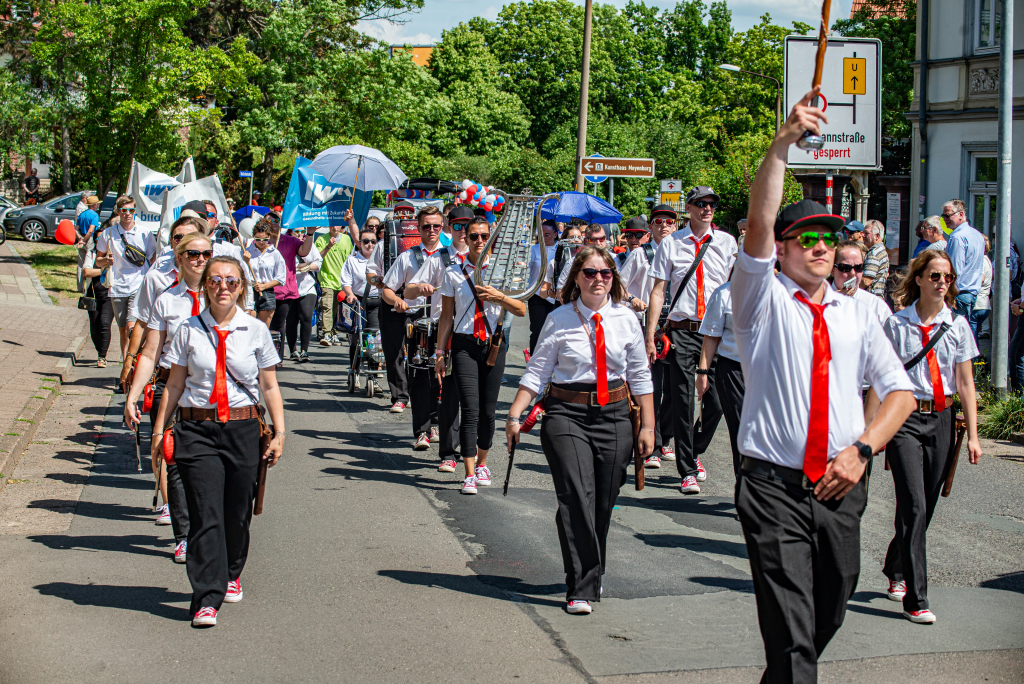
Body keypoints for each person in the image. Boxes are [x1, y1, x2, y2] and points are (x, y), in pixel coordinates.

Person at [736, 87, 916, 682]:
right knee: (791, 627)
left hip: (840, 482)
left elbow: (900, 394)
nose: (819, 248)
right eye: (806, 239)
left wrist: (863, 449)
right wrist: (783, 144)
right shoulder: (760, 299)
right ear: (782, 250)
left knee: (833, 601)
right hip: (772, 485)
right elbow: (760, 221)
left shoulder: (858, 313)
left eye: (827, 240)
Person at [506, 246, 654, 615]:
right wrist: (514, 415)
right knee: (576, 494)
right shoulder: (558, 318)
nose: (598, 279)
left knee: (601, 501)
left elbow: (640, 376)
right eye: (590, 272)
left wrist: (649, 426)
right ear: (577, 277)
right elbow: (537, 372)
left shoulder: (626, 319)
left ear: (613, 278)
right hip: (565, 414)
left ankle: (591, 566)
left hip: (615, 415)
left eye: (605, 273)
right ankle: (580, 586)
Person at [151, 256, 285, 628]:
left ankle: (231, 571)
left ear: (241, 287)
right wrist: (159, 430)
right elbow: (174, 384)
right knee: (205, 512)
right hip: (197, 430)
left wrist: (280, 433)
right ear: (205, 285)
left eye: (230, 281)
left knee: (237, 512)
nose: (222, 287)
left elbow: (269, 385)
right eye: (214, 280)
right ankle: (206, 597)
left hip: (243, 429)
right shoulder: (188, 330)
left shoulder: (255, 330)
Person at [879, 249, 982, 624]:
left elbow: (966, 383)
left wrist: (974, 435)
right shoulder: (897, 324)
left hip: (942, 418)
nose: (942, 282)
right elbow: (882, 377)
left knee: (925, 507)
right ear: (919, 278)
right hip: (904, 418)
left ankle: (896, 566)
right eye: (935, 275)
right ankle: (917, 599)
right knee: (914, 505)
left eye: (948, 277)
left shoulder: (957, 325)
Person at [125, 233, 213, 565]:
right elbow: (150, 352)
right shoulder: (167, 300)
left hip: (210, 390)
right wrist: (133, 395)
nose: (201, 260)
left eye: (206, 254)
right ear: (179, 259)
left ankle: (208, 529)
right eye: (193, 254)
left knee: (209, 463)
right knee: (173, 459)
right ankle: (184, 536)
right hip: (170, 386)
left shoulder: (223, 295)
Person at [646, 187, 735, 494]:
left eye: (712, 204)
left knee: (717, 401)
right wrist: (650, 335)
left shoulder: (727, 242)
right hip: (682, 329)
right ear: (690, 208)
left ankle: (694, 450)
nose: (707, 208)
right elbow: (658, 292)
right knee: (683, 400)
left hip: (717, 332)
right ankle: (687, 470)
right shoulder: (672, 243)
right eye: (701, 204)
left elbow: (734, 287)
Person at [435, 216, 526, 492]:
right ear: (465, 237)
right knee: (470, 410)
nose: (479, 241)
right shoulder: (453, 271)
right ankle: (469, 472)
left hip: (493, 345)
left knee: (488, 411)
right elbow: (446, 316)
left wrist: (499, 297)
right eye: (474, 236)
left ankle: (483, 462)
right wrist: (440, 352)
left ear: (491, 239)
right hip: (464, 344)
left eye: (484, 236)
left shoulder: (502, 271)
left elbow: (521, 310)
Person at [406, 206, 472, 466]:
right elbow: (408, 291)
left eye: (468, 226)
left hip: (473, 333)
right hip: (444, 331)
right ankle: (448, 453)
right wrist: (419, 287)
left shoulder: (485, 258)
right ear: (449, 227)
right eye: (457, 226)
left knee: (472, 397)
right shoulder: (439, 258)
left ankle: (470, 449)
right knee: (448, 395)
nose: (463, 232)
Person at [381, 206, 447, 448]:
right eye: (426, 226)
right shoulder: (407, 257)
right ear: (418, 229)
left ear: (442, 227)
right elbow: (387, 289)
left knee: (441, 376)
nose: (432, 230)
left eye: (436, 226)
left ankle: (437, 423)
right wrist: (397, 300)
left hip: (443, 321)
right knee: (419, 374)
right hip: (416, 320)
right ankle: (422, 430)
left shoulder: (450, 255)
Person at [619, 208, 677, 467]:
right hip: (644, 324)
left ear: (675, 226)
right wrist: (633, 299)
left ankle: (665, 438)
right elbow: (619, 285)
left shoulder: (682, 251)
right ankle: (651, 442)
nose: (664, 225)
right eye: (658, 221)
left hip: (673, 325)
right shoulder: (640, 254)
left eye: (669, 221)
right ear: (650, 228)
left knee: (675, 388)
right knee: (651, 385)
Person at [366, 204, 414, 414]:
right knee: (393, 350)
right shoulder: (383, 245)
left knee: (418, 350)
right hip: (390, 298)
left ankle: (416, 392)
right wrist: (379, 281)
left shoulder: (422, 244)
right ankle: (400, 396)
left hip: (417, 301)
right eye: (400, 215)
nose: (404, 218)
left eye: (408, 216)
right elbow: (370, 273)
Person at [96, 195, 157, 361]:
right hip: (117, 286)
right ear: (118, 211)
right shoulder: (108, 233)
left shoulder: (144, 233)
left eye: (131, 210)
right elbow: (98, 260)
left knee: (132, 326)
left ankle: (132, 364)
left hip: (138, 285)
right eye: (124, 210)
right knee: (123, 330)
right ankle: (126, 364)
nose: (128, 214)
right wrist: (106, 261)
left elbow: (153, 259)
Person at [696, 281, 744, 476]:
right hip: (733, 370)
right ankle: (744, 485)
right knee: (741, 431)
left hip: (767, 372)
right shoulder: (724, 293)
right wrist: (703, 372)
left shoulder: (780, 291)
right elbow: (711, 336)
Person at [267, 217, 316, 360]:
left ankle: (278, 358)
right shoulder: (260, 241)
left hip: (285, 290)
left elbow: (304, 251)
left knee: (279, 324)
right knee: (266, 325)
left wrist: (310, 234)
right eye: (269, 221)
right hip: (264, 290)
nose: (273, 223)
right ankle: (266, 356)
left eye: (276, 220)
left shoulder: (289, 240)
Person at [340, 228, 381, 388]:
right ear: (360, 243)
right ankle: (354, 371)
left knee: (374, 341)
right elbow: (346, 282)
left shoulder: (381, 260)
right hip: (359, 303)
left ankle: (372, 376)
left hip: (376, 302)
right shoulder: (352, 261)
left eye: (373, 241)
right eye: (366, 241)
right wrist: (350, 294)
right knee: (357, 340)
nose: (369, 245)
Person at [942, 199, 986, 338]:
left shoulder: (957, 237)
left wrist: (948, 294)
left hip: (958, 294)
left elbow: (955, 270)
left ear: (961, 214)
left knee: (953, 336)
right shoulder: (977, 235)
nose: (945, 219)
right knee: (965, 336)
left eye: (947, 215)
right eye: (943, 216)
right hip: (971, 293)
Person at [314, 210, 359, 346]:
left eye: (337, 225)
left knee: (337, 309)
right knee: (327, 307)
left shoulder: (346, 239)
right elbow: (317, 258)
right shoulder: (321, 239)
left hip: (342, 282)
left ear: (341, 226)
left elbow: (350, 259)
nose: (334, 227)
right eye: (332, 225)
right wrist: (328, 246)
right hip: (326, 279)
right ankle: (326, 334)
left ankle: (334, 332)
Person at [831, 240, 893, 327]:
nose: (853, 273)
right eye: (845, 268)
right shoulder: (818, 302)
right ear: (832, 270)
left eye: (858, 267)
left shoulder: (876, 306)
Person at [244, 219, 286, 326]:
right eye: (258, 239)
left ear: (269, 237)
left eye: (265, 239)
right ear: (253, 237)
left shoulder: (274, 253)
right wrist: (245, 261)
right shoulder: (246, 252)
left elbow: (281, 278)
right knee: (250, 327)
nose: (261, 242)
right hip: (249, 290)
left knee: (263, 329)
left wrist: (264, 286)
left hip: (267, 292)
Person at [80, 238, 114, 368]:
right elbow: (86, 272)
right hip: (93, 295)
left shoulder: (114, 255)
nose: (100, 242)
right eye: (98, 239)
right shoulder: (92, 253)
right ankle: (100, 349)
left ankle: (102, 356)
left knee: (105, 323)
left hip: (109, 295)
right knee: (94, 327)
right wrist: (104, 270)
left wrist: (96, 272)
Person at [527, 220, 559, 355]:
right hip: (536, 294)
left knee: (554, 331)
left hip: (555, 295)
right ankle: (534, 359)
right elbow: (527, 269)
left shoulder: (561, 249)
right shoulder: (534, 249)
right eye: (541, 235)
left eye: (547, 235)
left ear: (555, 234)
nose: (544, 238)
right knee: (538, 329)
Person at [286, 242, 322, 362]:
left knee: (306, 316)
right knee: (291, 320)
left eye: (302, 233)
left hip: (308, 287)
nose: (300, 235)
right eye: (297, 232)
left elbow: (318, 262)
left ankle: (304, 350)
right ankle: (293, 351)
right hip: (290, 287)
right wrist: (298, 266)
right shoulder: (287, 244)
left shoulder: (310, 245)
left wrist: (309, 267)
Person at [539, 224, 583, 303]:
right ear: (563, 240)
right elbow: (542, 292)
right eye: (571, 237)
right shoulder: (555, 263)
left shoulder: (587, 261)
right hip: (562, 304)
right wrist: (549, 293)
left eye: (579, 237)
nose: (576, 240)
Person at [860, 219, 889, 297]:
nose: (863, 235)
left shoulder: (874, 253)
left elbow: (866, 281)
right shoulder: (881, 250)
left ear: (877, 236)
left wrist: (853, 291)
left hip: (871, 298)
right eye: (863, 233)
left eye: (866, 233)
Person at [973, 236, 993, 342]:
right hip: (983, 304)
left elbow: (981, 278)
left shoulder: (980, 260)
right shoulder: (986, 259)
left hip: (977, 304)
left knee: (971, 336)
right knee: (973, 333)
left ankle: (974, 354)